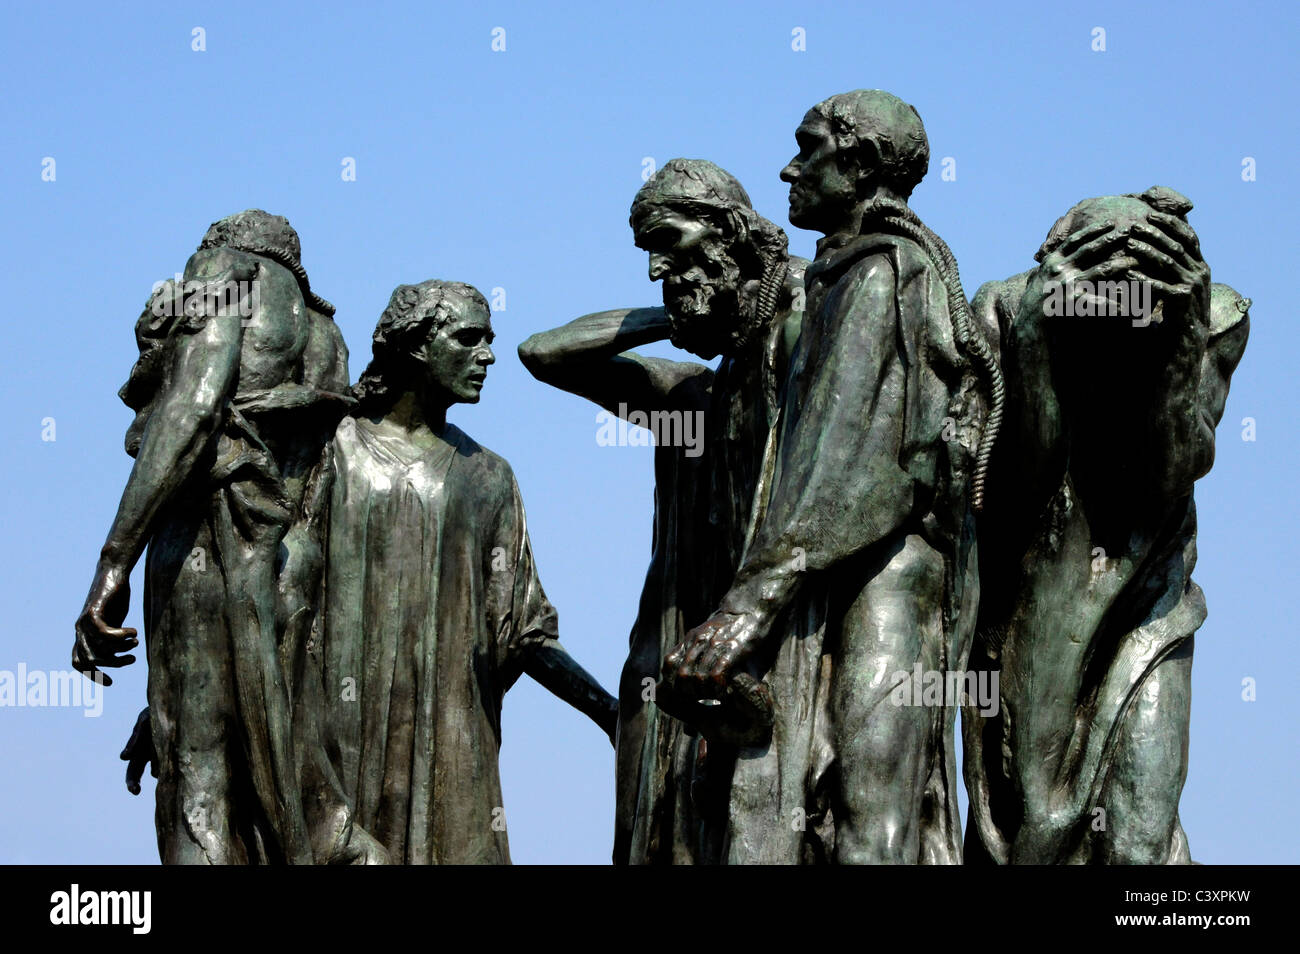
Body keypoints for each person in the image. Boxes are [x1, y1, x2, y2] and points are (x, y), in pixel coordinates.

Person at [666, 90, 999, 863]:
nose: (789, 167)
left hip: (883, 577)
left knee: (870, 816)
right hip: (831, 572)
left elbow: (844, 454)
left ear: (860, 165)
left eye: (808, 148)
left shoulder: (887, 272)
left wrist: (747, 607)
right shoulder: (837, 279)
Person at [519, 159, 805, 863]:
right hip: (669, 646)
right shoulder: (687, 398)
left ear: (726, 230)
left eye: (665, 241)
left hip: (759, 639)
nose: (654, 268)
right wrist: (670, 318)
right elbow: (543, 353)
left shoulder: (801, 339)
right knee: (654, 835)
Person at [75, 210, 381, 863]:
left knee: (200, 797)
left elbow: (192, 406)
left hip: (209, 545)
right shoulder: (326, 333)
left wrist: (112, 566)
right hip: (291, 584)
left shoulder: (224, 272)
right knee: (292, 812)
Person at [962, 187, 1250, 863]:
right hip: (1029, 609)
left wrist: (1181, 337)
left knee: (1138, 834)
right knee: (1026, 831)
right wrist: (1035, 333)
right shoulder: (1007, 307)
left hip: (1149, 604)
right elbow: (1017, 483)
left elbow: (1173, 470)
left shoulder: (1212, 314)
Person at [319, 279, 616, 864]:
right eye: (468, 338)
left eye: (490, 339)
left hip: (453, 742)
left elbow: (524, 632)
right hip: (341, 736)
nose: (487, 355)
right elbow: (273, 589)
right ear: (414, 346)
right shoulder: (332, 452)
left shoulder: (488, 476)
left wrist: (610, 711)